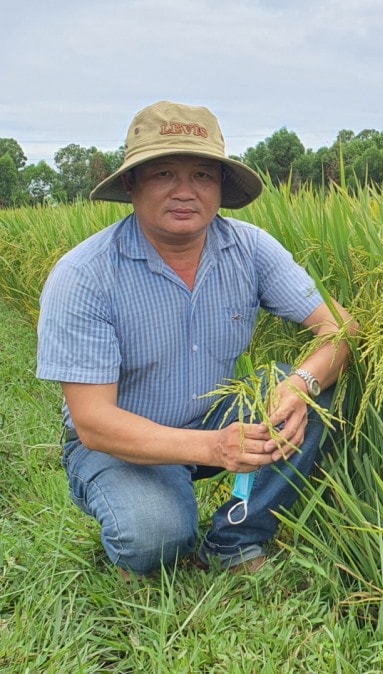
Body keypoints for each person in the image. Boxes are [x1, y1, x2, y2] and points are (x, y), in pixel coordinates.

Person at [36, 101, 358, 578]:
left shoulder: (250, 249)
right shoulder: (85, 275)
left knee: (316, 393)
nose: (185, 192)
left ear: (220, 187)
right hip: (122, 439)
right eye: (164, 173)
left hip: (218, 410)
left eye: (203, 176)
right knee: (156, 537)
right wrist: (211, 449)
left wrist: (301, 385)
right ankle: (147, 509)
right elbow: (93, 422)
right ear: (132, 183)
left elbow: (342, 327)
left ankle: (236, 539)